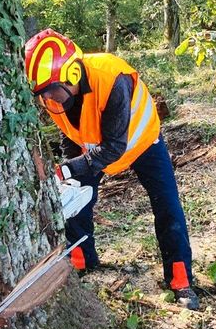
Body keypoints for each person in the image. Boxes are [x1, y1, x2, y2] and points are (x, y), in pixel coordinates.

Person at [24, 29, 199, 310]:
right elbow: (69, 133)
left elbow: (114, 148)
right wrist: (72, 173)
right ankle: (82, 261)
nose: (51, 99)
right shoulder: (50, 95)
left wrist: (67, 170)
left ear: (71, 73)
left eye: (54, 91)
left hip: (142, 143)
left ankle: (180, 279)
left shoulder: (111, 78)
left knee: (167, 205)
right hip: (95, 147)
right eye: (45, 94)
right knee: (75, 200)